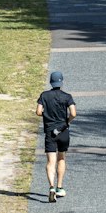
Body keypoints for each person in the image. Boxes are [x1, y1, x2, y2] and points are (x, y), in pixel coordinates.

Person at [36, 70, 77, 202]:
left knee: (50, 161)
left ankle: (51, 187)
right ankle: (60, 187)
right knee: (62, 158)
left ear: (50, 82)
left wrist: (46, 115)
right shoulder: (67, 96)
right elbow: (73, 113)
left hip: (49, 132)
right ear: (61, 82)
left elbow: (38, 112)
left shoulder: (44, 95)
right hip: (63, 131)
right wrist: (67, 122)